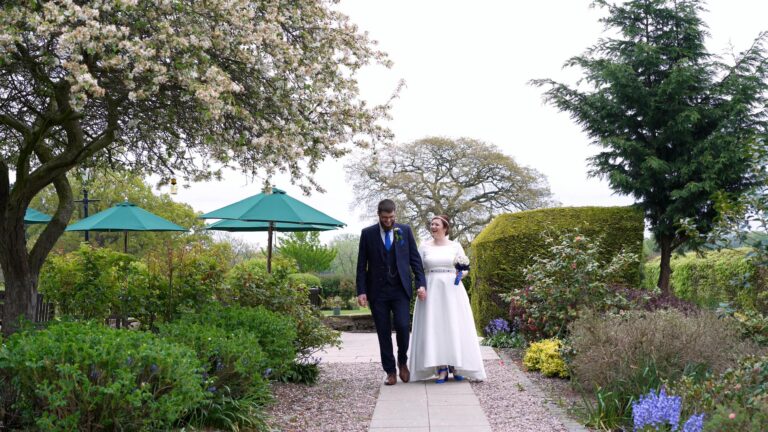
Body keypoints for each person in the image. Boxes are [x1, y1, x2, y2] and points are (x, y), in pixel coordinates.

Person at [408, 215, 486, 383]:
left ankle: (456, 365)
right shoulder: (424, 246)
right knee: (435, 326)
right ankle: (441, 367)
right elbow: (418, 269)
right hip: (432, 289)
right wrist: (420, 287)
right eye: (431, 224)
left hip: (452, 290)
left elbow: (465, 268)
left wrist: (461, 274)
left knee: (453, 324)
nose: (433, 227)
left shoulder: (455, 246)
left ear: (445, 228)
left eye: (436, 224)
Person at [356, 199, 427, 385]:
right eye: (385, 218)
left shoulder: (405, 230)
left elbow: (415, 260)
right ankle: (390, 371)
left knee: (403, 326)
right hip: (377, 292)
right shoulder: (367, 234)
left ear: (395, 214)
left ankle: (402, 361)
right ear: (378, 215)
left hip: (400, 289)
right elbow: (361, 265)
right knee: (383, 332)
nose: (388, 221)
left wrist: (421, 283)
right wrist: (361, 291)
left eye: (391, 217)